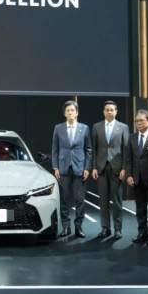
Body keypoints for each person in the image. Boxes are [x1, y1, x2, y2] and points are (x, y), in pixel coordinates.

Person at [51, 100, 92, 238]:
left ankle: (79, 227)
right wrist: (55, 167)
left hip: (79, 168)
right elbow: (55, 149)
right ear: (64, 113)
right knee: (64, 199)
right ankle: (66, 227)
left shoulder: (84, 128)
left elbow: (88, 149)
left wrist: (87, 167)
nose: (70, 112)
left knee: (80, 199)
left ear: (77, 113)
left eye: (72, 110)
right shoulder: (58, 128)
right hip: (63, 168)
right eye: (67, 110)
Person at [91, 100, 130, 240]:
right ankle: (105, 228)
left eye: (112, 110)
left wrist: (124, 168)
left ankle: (118, 229)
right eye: (107, 109)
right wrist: (94, 167)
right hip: (101, 167)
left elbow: (126, 149)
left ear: (116, 112)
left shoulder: (123, 127)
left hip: (117, 168)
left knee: (117, 201)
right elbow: (94, 149)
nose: (109, 112)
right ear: (103, 112)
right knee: (103, 201)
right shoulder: (96, 127)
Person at [124, 109, 148, 245]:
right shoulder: (132, 137)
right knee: (140, 208)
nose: (138, 123)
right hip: (136, 179)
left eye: (141, 120)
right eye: (136, 121)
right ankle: (142, 233)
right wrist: (129, 175)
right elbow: (128, 159)